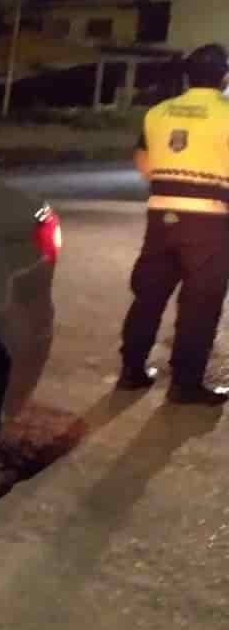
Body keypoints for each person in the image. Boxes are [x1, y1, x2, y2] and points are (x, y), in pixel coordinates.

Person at [117, 43, 229, 404]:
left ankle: (132, 371)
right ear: (224, 77)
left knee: (148, 296)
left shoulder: (158, 112)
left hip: (161, 216)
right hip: (211, 221)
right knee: (201, 304)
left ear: (187, 75)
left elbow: (142, 161)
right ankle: (186, 384)